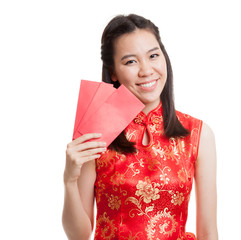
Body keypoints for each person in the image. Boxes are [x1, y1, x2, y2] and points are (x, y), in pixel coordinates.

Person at [62, 14, 218, 240]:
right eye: (130, 61)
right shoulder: (97, 133)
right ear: (113, 72)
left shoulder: (198, 134)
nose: (146, 71)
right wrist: (69, 179)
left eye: (153, 56)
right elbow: (79, 235)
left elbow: (208, 232)